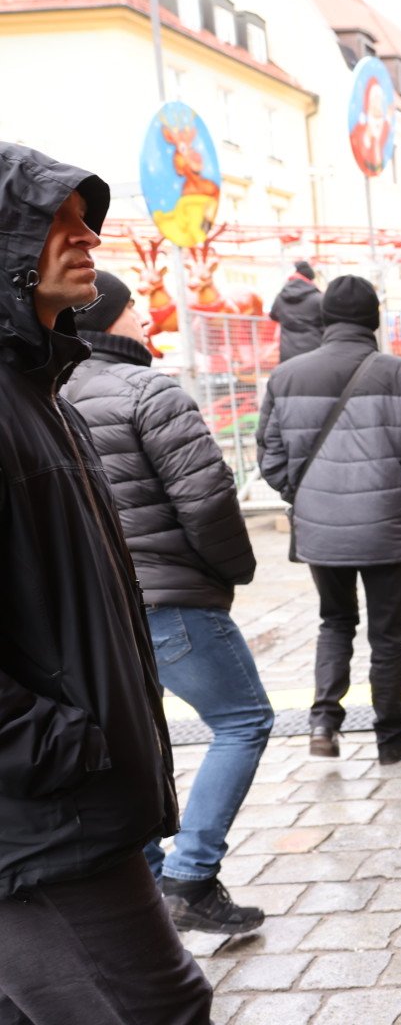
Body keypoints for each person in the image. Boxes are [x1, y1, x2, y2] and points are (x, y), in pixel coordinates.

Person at [0, 142, 212, 1023]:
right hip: (45, 822)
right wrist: (54, 750)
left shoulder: (37, 388)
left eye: (84, 219)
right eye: (54, 223)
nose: (87, 236)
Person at [61, 271, 272, 935]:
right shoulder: (147, 390)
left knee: (133, 738)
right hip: (169, 597)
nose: (147, 319)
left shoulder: (45, 394)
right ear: (105, 319)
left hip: (96, 611)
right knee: (243, 720)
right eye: (134, 310)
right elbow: (206, 499)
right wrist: (233, 569)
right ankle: (191, 877)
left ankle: (151, 887)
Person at [257, 276, 401, 763]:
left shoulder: (286, 377)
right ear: (373, 320)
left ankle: (324, 723)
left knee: (335, 622)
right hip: (388, 526)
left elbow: (271, 460)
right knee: (388, 636)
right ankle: (391, 736)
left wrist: (306, 498)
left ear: (325, 320)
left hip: (321, 529)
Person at [270, 259, 323, 362]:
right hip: (313, 351)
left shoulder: (280, 297)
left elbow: (273, 315)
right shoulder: (318, 298)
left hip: (287, 353)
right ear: (310, 279)